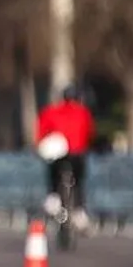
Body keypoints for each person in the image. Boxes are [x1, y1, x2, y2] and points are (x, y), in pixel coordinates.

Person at [35, 84, 95, 227]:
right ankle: (79, 211)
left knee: (52, 172)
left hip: (58, 155)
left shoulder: (51, 111)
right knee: (79, 180)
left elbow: (42, 132)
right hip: (77, 154)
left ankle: (53, 197)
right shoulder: (83, 112)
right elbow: (90, 134)